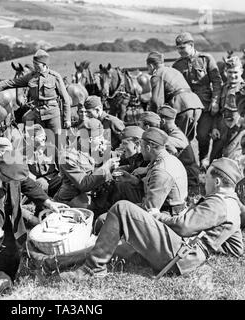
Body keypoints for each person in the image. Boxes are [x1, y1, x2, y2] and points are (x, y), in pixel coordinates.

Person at [60, 157, 243, 280]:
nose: (205, 182)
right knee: (112, 247)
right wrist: (211, 245)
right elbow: (236, 248)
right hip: (185, 254)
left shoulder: (219, 204)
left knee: (122, 208)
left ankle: (93, 269)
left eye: (208, 178)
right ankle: (52, 261)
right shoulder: (233, 205)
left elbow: (184, 228)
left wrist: (158, 216)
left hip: (180, 256)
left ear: (217, 182)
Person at [0, 153, 63, 282]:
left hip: (3, 223)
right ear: (2, 173)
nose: (15, 181)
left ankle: (3, 283)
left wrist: (48, 202)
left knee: (12, 255)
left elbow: (29, 185)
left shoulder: (13, 171)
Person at [0, 49, 71, 136]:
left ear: (44, 65)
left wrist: (67, 119)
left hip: (53, 114)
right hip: (37, 114)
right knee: (36, 143)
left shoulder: (55, 77)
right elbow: (11, 83)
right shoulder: (31, 77)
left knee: (58, 143)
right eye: (34, 63)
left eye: (37, 64)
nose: (34, 66)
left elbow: (65, 99)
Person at [109, 127, 188, 216]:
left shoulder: (161, 171)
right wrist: (133, 180)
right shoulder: (164, 159)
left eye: (141, 147)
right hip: (164, 209)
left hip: (167, 216)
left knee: (111, 214)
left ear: (148, 148)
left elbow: (150, 210)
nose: (140, 150)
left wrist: (121, 209)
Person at [172, 32, 222, 165]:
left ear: (191, 45)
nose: (180, 52)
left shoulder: (206, 59)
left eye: (182, 48)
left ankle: (203, 161)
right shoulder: (177, 65)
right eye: (178, 49)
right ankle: (186, 163)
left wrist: (215, 101)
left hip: (205, 105)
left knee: (203, 136)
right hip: (187, 107)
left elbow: (217, 82)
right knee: (184, 136)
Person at [53, 118, 120, 210]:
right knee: (88, 207)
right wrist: (106, 167)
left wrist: (107, 155)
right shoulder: (68, 157)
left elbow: (115, 156)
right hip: (73, 197)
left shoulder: (94, 147)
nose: (103, 141)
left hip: (94, 191)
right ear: (89, 139)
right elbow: (84, 184)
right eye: (100, 137)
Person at [147, 51, 203, 141]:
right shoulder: (173, 70)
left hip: (182, 107)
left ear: (151, 66)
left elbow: (156, 102)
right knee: (185, 141)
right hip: (196, 105)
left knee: (177, 141)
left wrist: (152, 119)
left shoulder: (157, 74)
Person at [210, 56, 245, 169]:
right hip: (222, 126)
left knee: (231, 158)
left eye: (235, 72)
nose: (232, 75)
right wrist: (215, 127)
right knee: (214, 158)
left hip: (238, 127)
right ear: (225, 72)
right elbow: (219, 111)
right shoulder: (223, 88)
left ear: (241, 71)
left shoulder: (243, 88)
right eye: (230, 72)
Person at [158, 104, 200, 194]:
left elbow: (179, 144)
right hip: (185, 173)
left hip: (189, 177)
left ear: (162, 121)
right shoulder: (174, 132)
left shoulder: (176, 135)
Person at [25, 124, 61, 197]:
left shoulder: (52, 148)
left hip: (53, 178)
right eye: (41, 136)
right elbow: (24, 171)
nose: (44, 138)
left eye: (44, 135)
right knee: (40, 185)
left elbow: (61, 166)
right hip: (38, 181)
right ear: (32, 138)